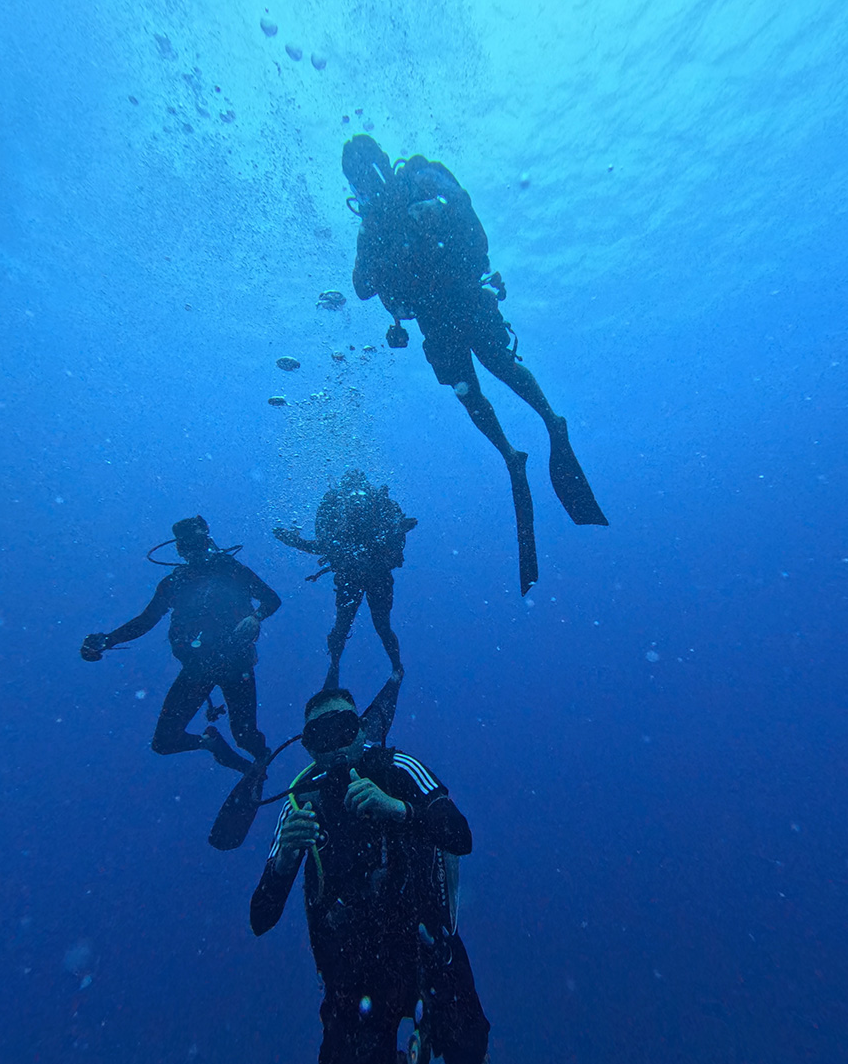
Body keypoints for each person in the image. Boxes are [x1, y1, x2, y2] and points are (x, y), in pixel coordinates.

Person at [251, 685, 517, 1064]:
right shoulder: (299, 803)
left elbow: (460, 835)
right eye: (321, 734)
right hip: (352, 985)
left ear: (361, 732)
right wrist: (283, 860)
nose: (336, 744)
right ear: (308, 745)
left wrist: (399, 809)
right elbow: (260, 917)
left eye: (345, 728)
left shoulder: (398, 769)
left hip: (429, 959)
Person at [342, 133, 607, 596]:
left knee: (500, 365)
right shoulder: (371, 225)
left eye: (369, 168)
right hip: (432, 321)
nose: (367, 180)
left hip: (464, 298)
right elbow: (362, 286)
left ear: (385, 162)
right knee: (467, 392)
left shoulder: (421, 179)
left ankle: (551, 422)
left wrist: (437, 211)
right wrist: (386, 247)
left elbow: (470, 222)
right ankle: (510, 454)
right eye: (356, 177)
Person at [79, 515, 280, 772]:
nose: (195, 550)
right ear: (180, 549)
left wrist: (256, 617)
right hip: (197, 668)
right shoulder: (174, 584)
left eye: (199, 542)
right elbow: (145, 621)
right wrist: (108, 640)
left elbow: (272, 599)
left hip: (235, 663)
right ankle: (212, 745)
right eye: (188, 545)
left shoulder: (232, 569)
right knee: (164, 741)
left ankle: (261, 759)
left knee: (245, 736)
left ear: (208, 541)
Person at [274, 469, 419, 689]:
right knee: (363, 625)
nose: (356, 502)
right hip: (358, 575)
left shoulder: (370, 510)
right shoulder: (343, 514)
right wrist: (294, 542)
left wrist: (294, 541)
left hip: (366, 575)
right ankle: (378, 666)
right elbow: (323, 545)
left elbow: (321, 545)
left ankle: (383, 666)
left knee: (365, 625)